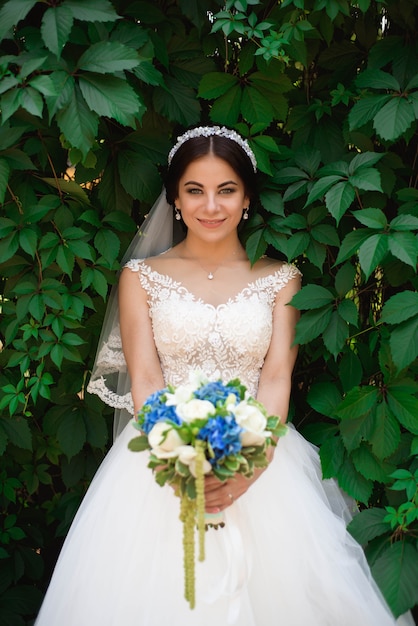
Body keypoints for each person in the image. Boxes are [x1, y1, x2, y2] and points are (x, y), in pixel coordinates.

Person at [35, 126, 413, 626]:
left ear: (247, 197)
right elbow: (146, 378)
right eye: (195, 190)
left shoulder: (282, 279)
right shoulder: (140, 279)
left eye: (226, 189)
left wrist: (251, 465)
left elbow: (277, 378)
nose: (210, 205)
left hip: (265, 457)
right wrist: (177, 451)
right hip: (160, 459)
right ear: (174, 197)